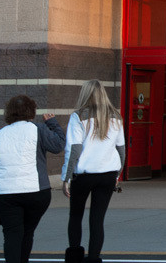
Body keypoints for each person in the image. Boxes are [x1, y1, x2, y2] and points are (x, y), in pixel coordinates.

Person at [0, 95, 66, 263]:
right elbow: (59, 145)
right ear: (31, 111)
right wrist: (52, 123)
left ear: (9, 112)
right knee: (28, 232)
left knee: (12, 234)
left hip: (6, 193)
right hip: (36, 192)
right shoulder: (39, 129)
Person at [61, 80, 125, 263]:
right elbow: (121, 149)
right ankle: (94, 258)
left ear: (85, 94)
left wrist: (66, 178)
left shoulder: (78, 116)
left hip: (83, 175)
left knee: (76, 216)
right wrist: (117, 174)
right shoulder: (116, 116)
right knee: (97, 220)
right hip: (108, 174)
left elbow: (74, 149)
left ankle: (74, 257)